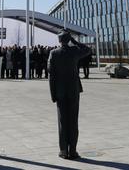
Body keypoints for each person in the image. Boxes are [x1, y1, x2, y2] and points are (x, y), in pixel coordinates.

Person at [48, 31, 91, 160]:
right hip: (73, 90)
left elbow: (51, 76)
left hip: (60, 91)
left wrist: (53, 94)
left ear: (59, 41)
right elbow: (87, 49)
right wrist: (75, 41)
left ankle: (63, 151)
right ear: (68, 39)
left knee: (62, 121)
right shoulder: (74, 51)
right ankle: (72, 150)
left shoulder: (53, 53)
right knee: (73, 120)